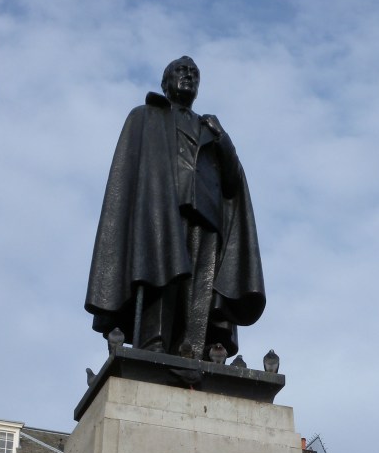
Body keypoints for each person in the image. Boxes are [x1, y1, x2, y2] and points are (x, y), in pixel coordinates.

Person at [85, 56, 265, 359]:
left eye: (194, 73)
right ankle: (153, 341)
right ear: (166, 81)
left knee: (199, 287)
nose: (189, 76)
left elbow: (233, 181)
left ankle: (191, 348)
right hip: (160, 209)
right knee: (159, 274)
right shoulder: (145, 117)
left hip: (207, 217)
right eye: (181, 71)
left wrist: (222, 137)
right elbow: (129, 174)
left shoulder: (209, 127)